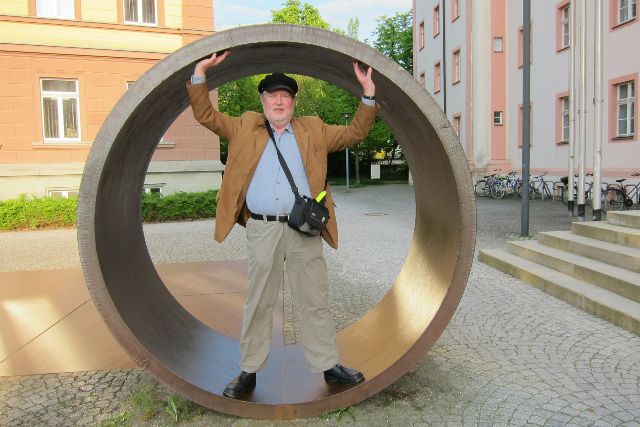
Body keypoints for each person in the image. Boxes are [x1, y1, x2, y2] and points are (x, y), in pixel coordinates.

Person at [186, 50, 378, 399]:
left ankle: (328, 364)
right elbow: (205, 115)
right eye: (272, 95)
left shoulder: (313, 129)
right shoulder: (244, 125)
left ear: (293, 103)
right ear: (262, 101)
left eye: (285, 95)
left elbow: (355, 133)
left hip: (303, 230)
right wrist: (200, 72)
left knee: (314, 299)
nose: (279, 100)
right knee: (257, 301)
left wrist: (367, 93)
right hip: (262, 229)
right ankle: (249, 371)